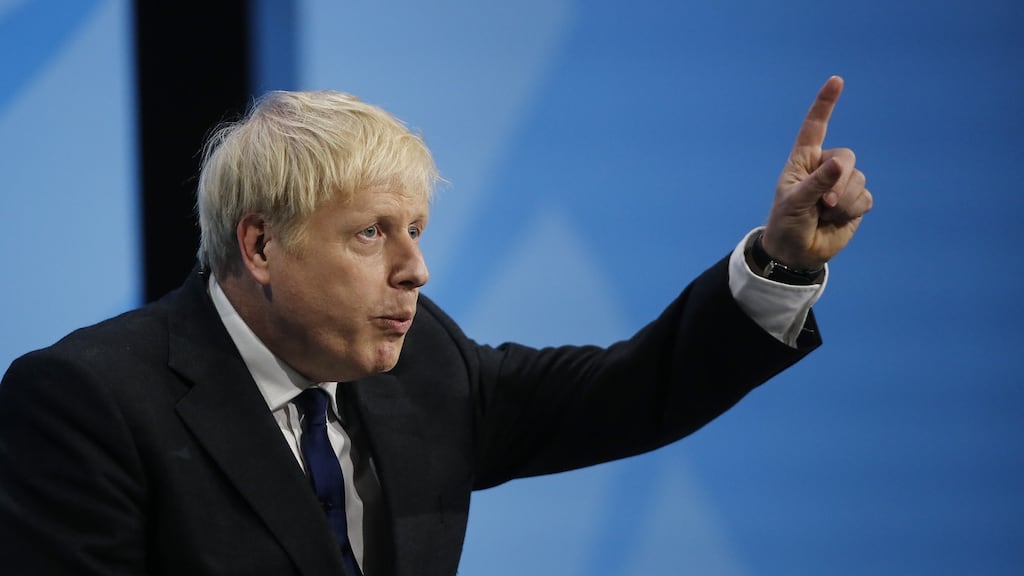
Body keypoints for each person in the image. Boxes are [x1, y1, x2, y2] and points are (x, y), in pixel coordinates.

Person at [0, 75, 871, 576]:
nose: (415, 268)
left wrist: (781, 262)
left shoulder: (424, 363)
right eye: (371, 233)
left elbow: (633, 391)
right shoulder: (91, 401)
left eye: (416, 229)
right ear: (261, 245)